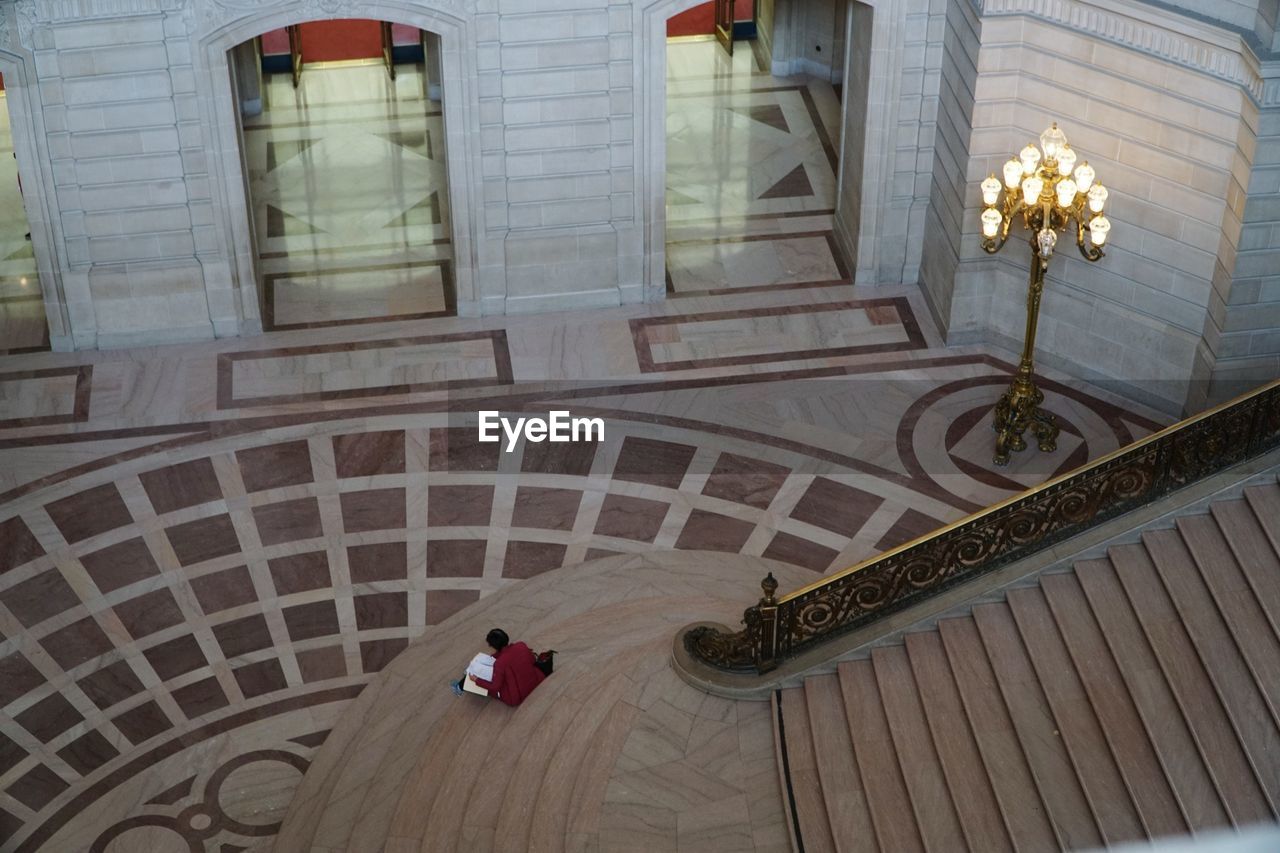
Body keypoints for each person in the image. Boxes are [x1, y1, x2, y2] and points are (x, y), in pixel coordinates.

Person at [456, 628, 545, 707]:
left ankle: (459, 686)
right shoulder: (521, 645)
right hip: (535, 681)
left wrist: (476, 680)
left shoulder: (500, 663)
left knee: (480, 677)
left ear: (493, 646)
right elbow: (532, 660)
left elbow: (495, 687)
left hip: (516, 696)